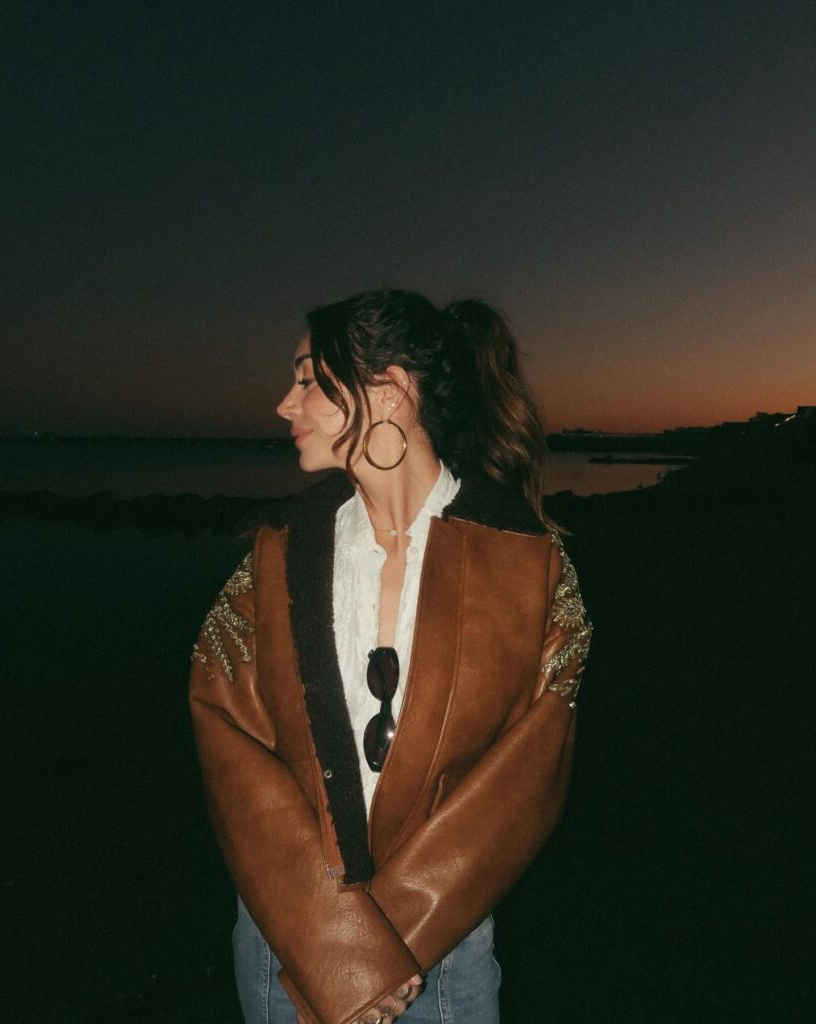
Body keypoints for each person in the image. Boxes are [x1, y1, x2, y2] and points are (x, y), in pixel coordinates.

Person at [189, 290, 591, 1024]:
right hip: (288, 939)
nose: (285, 403)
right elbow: (226, 736)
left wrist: (382, 955)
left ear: (390, 390)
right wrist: (332, 949)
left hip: (441, 952)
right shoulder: (271, 556)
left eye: (308, 377)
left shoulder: (530, 567)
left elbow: (528, 775)